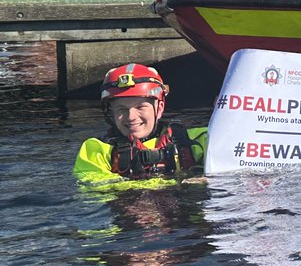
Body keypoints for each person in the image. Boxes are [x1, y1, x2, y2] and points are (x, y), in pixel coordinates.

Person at [74, 64, 207, 187]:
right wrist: (175, 183)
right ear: (111, 112)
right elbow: (95, 190)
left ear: (159, 108)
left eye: (140, 107)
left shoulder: (198, 139)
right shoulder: (96, 151)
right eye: (121, 109)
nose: (131, 117)